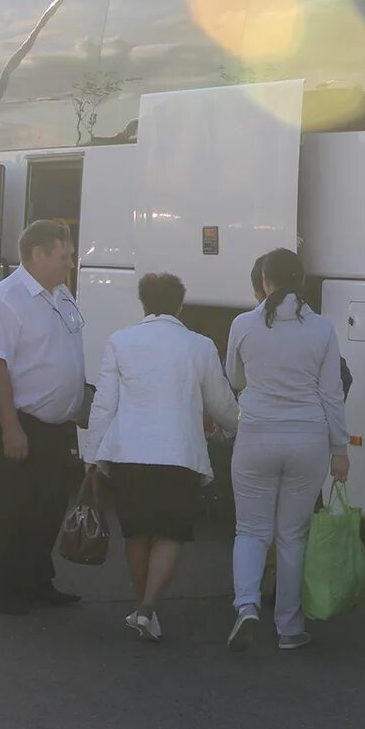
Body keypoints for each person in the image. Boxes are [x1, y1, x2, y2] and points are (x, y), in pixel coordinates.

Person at [82, 273, 239, 642]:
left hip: (128, 454)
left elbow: (105, 402)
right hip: (178, 454)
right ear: (180, 305)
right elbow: (221, 403)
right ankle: (149, 608)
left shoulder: (120, 341)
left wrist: (92, 454)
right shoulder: (198, 346)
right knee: (170, 533)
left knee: (137, 533)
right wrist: (238, 427)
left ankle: (142, 607)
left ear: (143, 303)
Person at [225, 248, 349, 653]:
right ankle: (289, 628)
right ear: (302, 281)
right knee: (293, 536)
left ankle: (246, 605)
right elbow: (331, 393)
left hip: (257, 433)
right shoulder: (322, 330)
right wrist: (340, 449)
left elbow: (235, 377)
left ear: (264, 281)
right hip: (308, 438)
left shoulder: (243, 325)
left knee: (250, 530)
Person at [0, 219, 88, 615]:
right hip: (18, 422)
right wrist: (10, 428)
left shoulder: (60, 294)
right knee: (7, 508)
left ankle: (37, 580)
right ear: (38, 254)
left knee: (48, 506)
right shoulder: (5, 300)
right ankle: (2, 589)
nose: (70, 264)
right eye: (64, 256)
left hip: (56, 427)